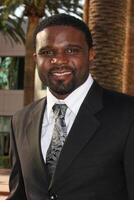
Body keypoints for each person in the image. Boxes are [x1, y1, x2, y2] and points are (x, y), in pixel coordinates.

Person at [7, 14, 134, 200]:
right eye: (48, 52)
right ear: (36, 58)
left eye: (71, 50)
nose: (59, 60)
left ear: (91, 54)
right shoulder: (20, 120)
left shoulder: (128, 115)